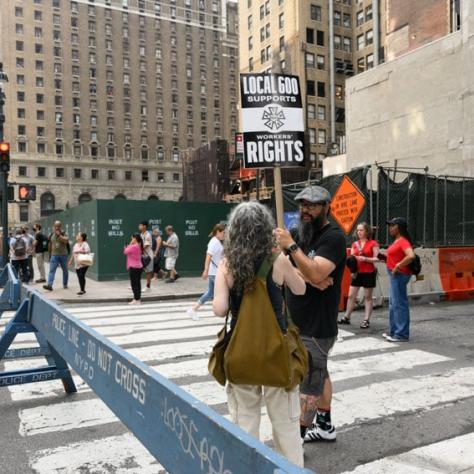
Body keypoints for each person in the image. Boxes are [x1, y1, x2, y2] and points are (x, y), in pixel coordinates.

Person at [213, 202, 306, 467]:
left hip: (241, 353)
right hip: (277, 352)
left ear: (235, 231)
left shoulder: (227, 264)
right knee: (286, 428)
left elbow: (219, 310)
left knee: (244, 425)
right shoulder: (278, 260)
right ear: (265, 230)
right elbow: (300, 290)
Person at [274, 185, 346, 444]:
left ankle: (297, 439)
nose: (305, 209)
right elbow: (279, 267)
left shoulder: (333, 238)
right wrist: (311, 277)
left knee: (310, 384)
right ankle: (325, 426)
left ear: (327, 207)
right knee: (320, 372)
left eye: (312, 205)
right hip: (295, 322)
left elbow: (316, 271)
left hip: (317, 326)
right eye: (302, 204)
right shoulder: (299, 233)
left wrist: (293, 250)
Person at [338, 222, 379, 328]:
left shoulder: (373, 243)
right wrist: (352, 270)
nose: (359, 232)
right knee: (351, 296)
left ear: (367, 231)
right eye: (358, 230)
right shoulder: (354, 244)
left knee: (367, 297)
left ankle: (366, 320)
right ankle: (347, 317)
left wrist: (366, 259)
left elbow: (377, 258)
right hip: (357, 273)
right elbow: (352, 259)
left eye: (361, 230)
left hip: (368, 273)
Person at [382, 217, 415, 342]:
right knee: (393, 304)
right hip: (395, 274)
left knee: (399, 304)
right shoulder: (398, 241)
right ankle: (394, 331)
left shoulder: (402, 241)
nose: (390, 228)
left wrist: (397, 266)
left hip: (399, 275)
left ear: (399, 227)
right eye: (389, 225)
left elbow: (410, 256)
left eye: (392, 225)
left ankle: (401, 334)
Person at [187, 223, 225, 321]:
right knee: (224, 292)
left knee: (210, 293)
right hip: (215, 273)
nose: (224, 235)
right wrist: (206, 270)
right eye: (223, 233)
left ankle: (193, 309)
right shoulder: (215, 242)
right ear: (218, 232)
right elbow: (208, 256)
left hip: (214, 272)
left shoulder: (215, 241)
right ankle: (227, 313)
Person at [43, 221, 70, 291]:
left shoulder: (64, 233)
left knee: (65, 270)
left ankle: (65, 284)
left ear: (60, 227)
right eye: (56, 226)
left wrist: (59, 235)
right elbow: (50, 244)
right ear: (53, 227)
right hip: (54, 255)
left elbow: (66, 240)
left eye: (58, 226)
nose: (57, 227)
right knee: (52, 271)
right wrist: (50, 254)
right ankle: (49, 285)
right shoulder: (51, 234)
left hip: (63, 255)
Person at [124, 233, 144, 305]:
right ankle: (137, 298)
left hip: (134, 267)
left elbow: (125, 251)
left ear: (135, 239)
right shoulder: (139, 245)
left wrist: (130, 243)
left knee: (134, 284)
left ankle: (137, 299)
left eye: (132, 238)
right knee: (138, 283)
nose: (131, 240)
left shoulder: (134, 246)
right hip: (139, 267)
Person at [139, 221, 154, 291]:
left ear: (144, 226)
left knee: (148, 271)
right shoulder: (141, 234)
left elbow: (146, 245)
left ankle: (148, 286)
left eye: (140, 225)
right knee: (140, 270)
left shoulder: (148, 234)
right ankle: (136, 285)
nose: (139, 226)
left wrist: (138, 250)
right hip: (142, 255)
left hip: (148, 256)